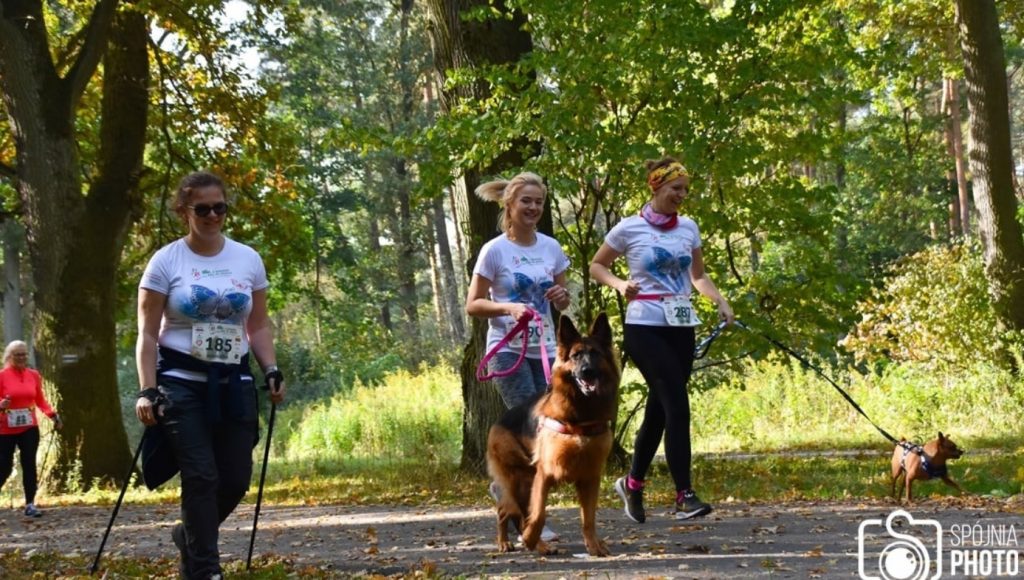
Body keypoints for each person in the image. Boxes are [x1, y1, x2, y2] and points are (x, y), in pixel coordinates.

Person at [135, 171, 285, 579]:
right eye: (203, 209)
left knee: (234, 479)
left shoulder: (246, 258)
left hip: (232, 382)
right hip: (180, 383)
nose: (213, 215)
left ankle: (191, 537)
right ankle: (205, 570)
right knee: (200, 476)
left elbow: (257, 325)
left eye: (220, 207)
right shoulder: (166, 261)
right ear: (184, 211)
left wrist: (270, 368)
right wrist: (147, 390)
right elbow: (147, 333)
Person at [589, 156, 734, 523]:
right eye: (675, 189)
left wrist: (718, 299)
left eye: (685, 189)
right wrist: (621, 284)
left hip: (681, 324)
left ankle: (633, 483)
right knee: (677, 403)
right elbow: (596, 266)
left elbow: (698, 275)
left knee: (659, 408)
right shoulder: (629, 228)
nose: (682, 195)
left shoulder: (689, 228)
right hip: (645, 326)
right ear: (656, 186)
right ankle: (684, 493)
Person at [466, 171, 570, 542]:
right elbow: (473, 304)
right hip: (506, 351)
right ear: (509, 205)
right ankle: (530, 516)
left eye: (539, 202)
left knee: (548, 429)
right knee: (531, 427)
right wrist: (508, 308)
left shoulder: (551, 248)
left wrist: (560, 298)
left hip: (544, 350)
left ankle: (511, 494)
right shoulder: (494, 250)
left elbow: (563, 295)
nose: (533, 208)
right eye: (526, 201)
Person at [0, 340, 62, 518]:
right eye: (17, 355)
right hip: (5, 429)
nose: (21, 358)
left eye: (24, 354)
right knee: (4, 466)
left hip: (29, 427)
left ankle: (30, 504)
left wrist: (53, 415)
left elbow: (40, 400)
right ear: (9, 357)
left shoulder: (33, 375)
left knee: (29, 465)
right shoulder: (2, 376)